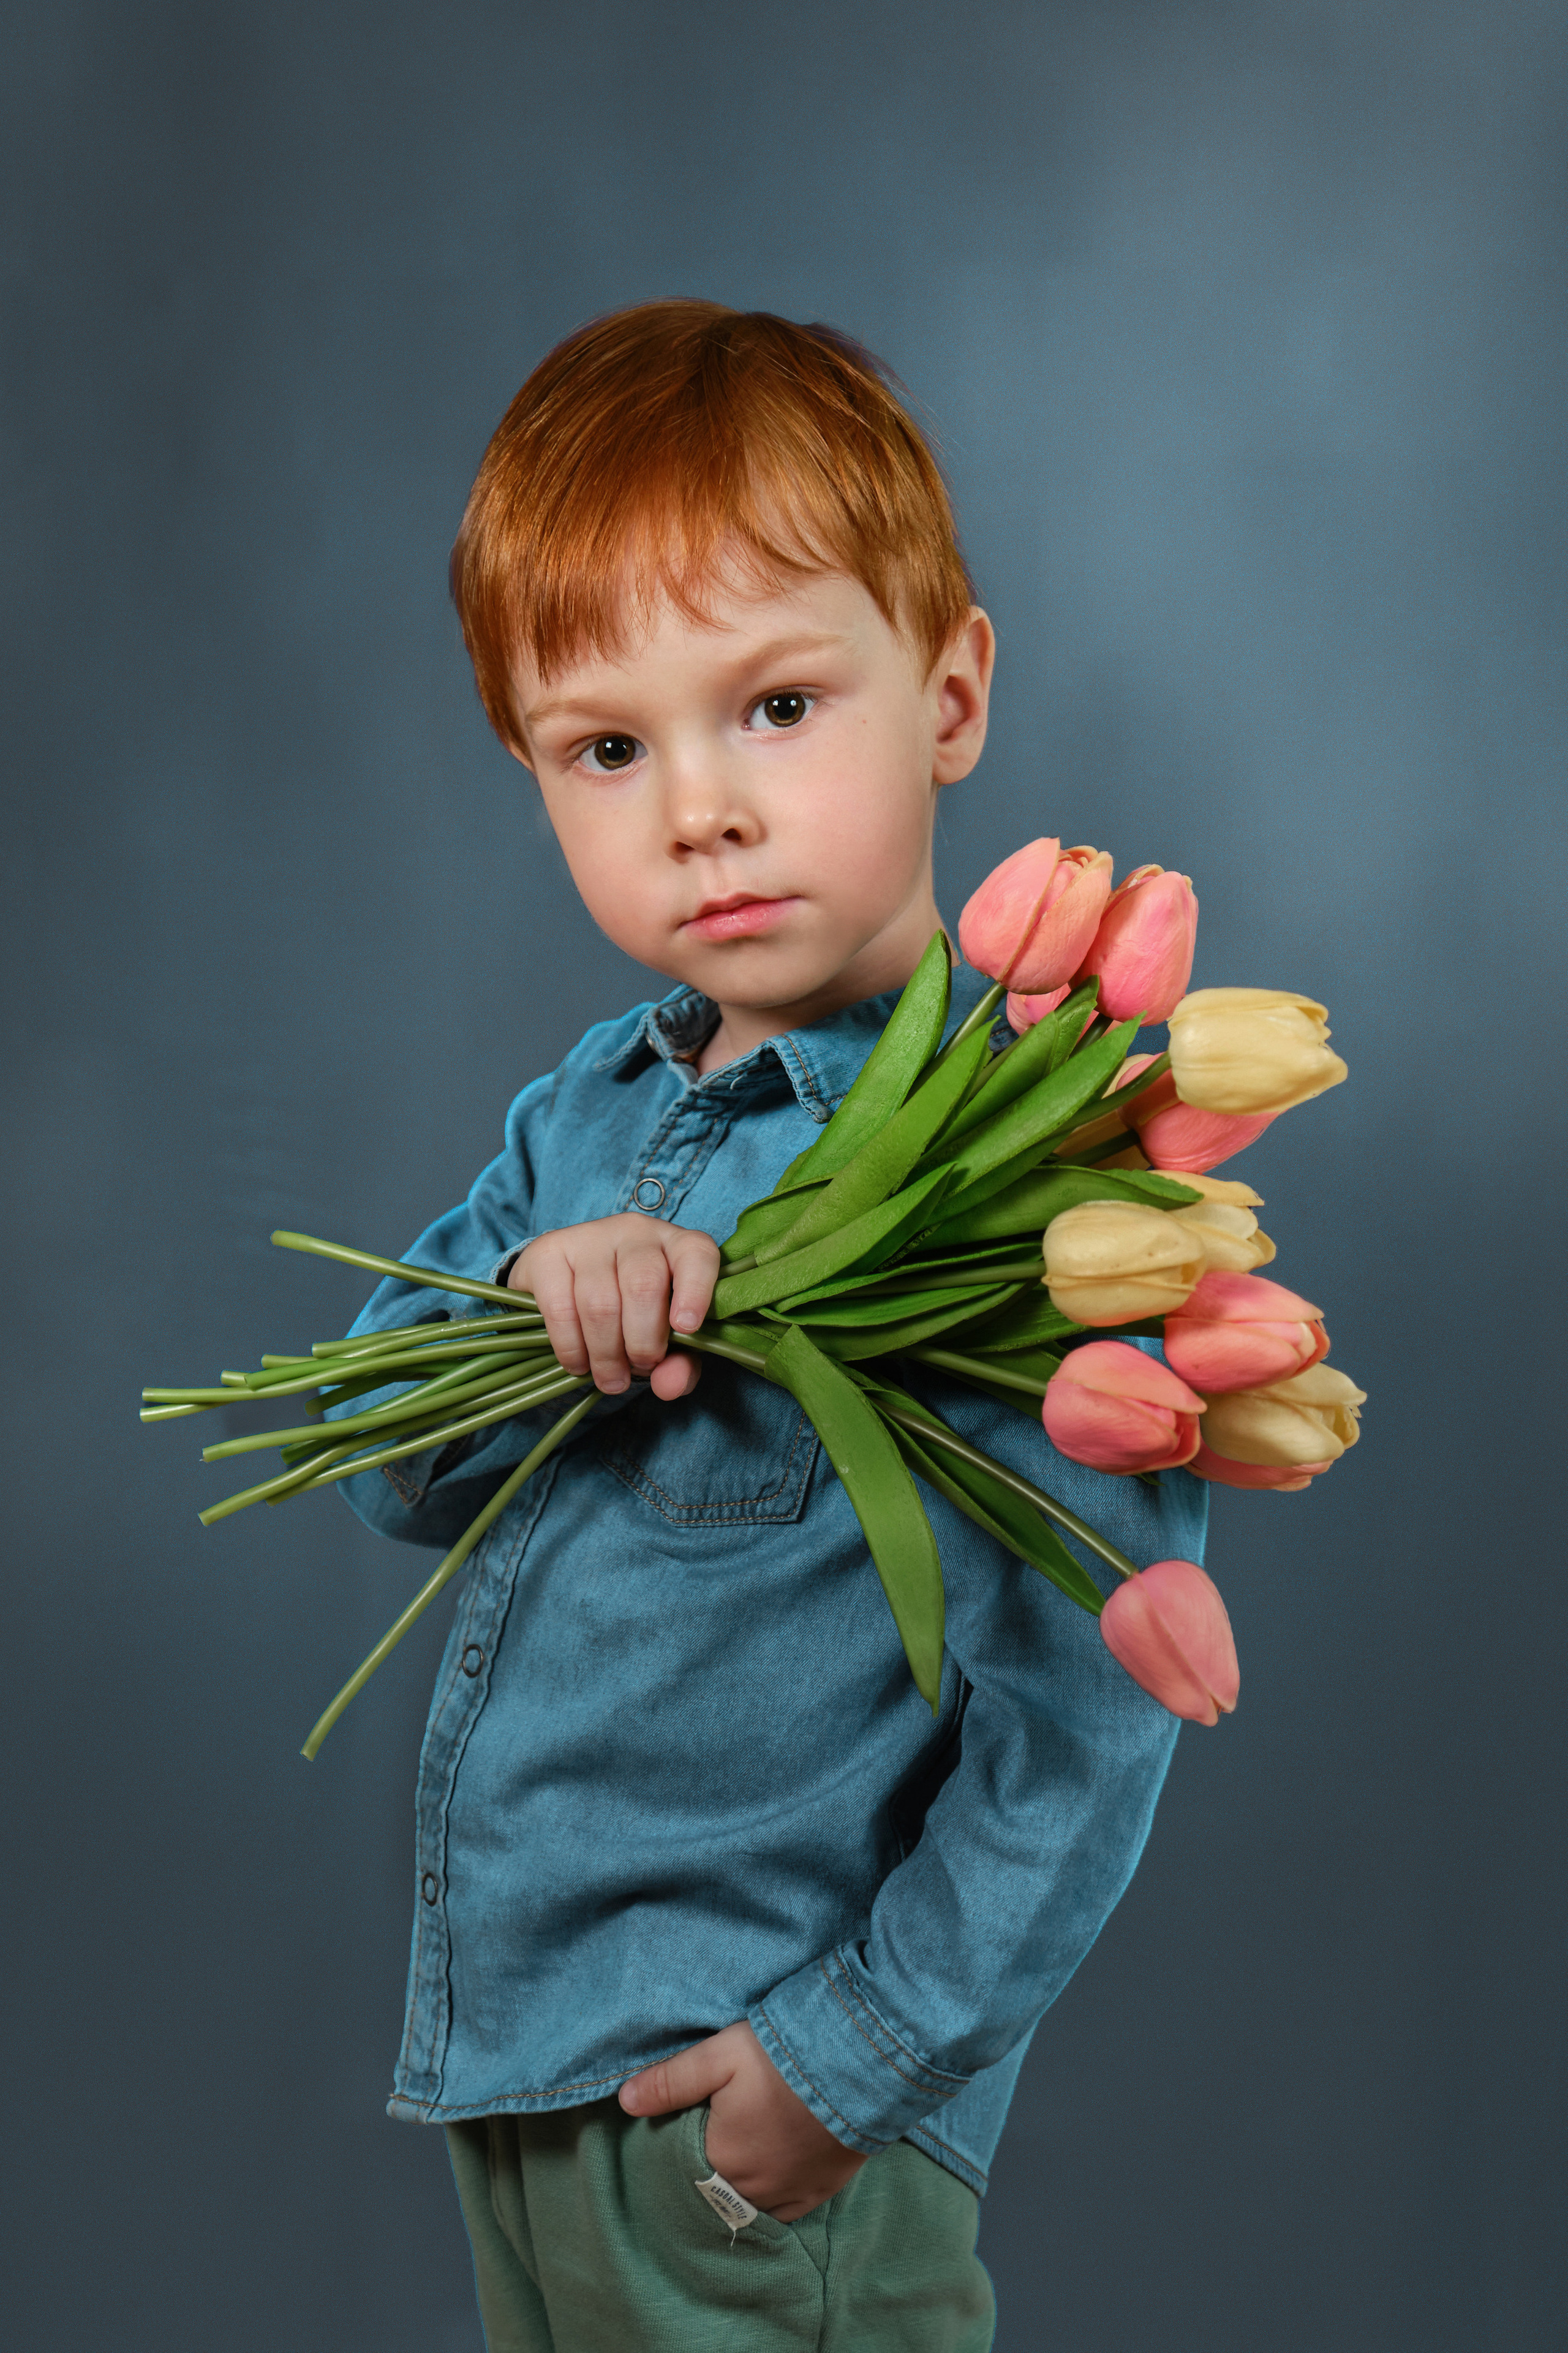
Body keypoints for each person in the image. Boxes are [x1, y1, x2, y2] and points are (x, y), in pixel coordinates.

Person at [339, 300, 1205, 2352]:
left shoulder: (1020, 1197)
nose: (700, 809)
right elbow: (387, 1451)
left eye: (780, 707)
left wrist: (841, 2068)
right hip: (523, 2061)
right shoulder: (591, 1115)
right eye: (609, 747)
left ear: (953, 692)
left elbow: (1089, 1718)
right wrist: (515, 1303)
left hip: (751, 2125)